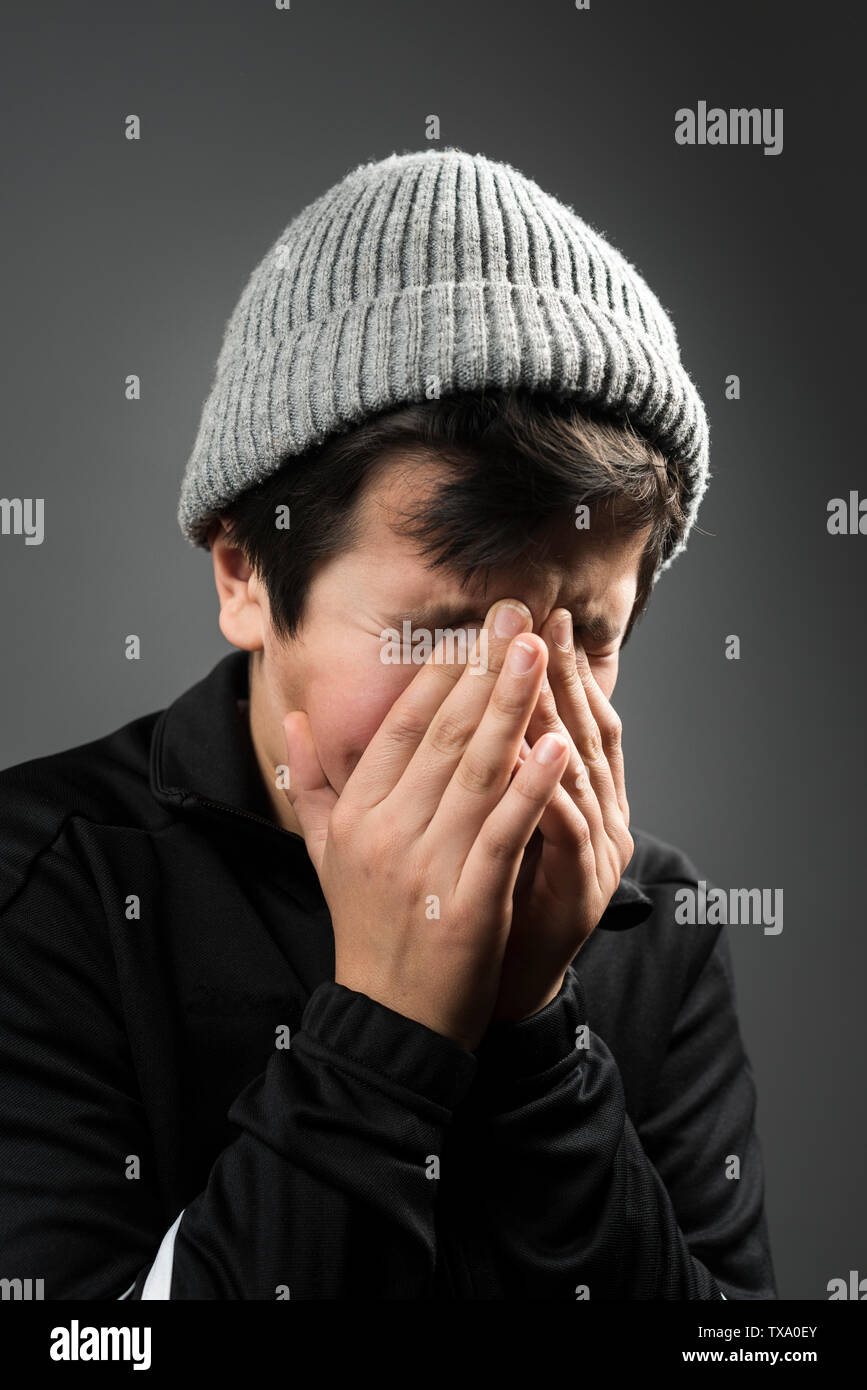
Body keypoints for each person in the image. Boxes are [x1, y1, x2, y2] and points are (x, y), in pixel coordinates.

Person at [0, 148, 776, 1299]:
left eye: (586, 640)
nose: (512, 713)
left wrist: (535, 1038)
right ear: (246, 574)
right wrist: (382, 1030)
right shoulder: (48, 881)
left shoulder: (655, 930)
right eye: (442, 632)